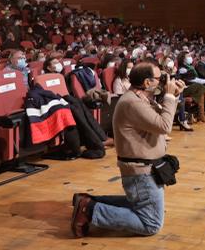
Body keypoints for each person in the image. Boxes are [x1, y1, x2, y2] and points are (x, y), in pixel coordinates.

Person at [70, 62, 183, 237]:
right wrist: (168, 96)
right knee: (151, 223)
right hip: (142, 173)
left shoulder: (140, 98)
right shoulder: (132, 103)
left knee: (139, 204)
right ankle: (89, 210)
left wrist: (173, 96)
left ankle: (88, 202)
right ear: (147, 83)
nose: (163, 81)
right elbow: (164, 125)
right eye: (159, 78)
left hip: (147, 168)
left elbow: (159, 117)